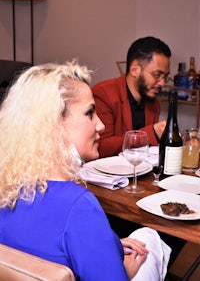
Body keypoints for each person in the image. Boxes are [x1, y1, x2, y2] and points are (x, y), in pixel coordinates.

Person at [0, 60, 171, 281]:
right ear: (53, 125)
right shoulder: (78, 205)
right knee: (150, 239)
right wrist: (125, 271)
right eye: (90, 113)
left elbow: (44, 243)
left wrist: (106, 243)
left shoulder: (8, 186)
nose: (100, 125)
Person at [92, 36, 171, 158]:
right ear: (135, 69)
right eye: (157, 75)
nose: (162, 83)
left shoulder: (153, 103)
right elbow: (99, 148)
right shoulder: (104, 94)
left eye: (165, 76)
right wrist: (152, 133)